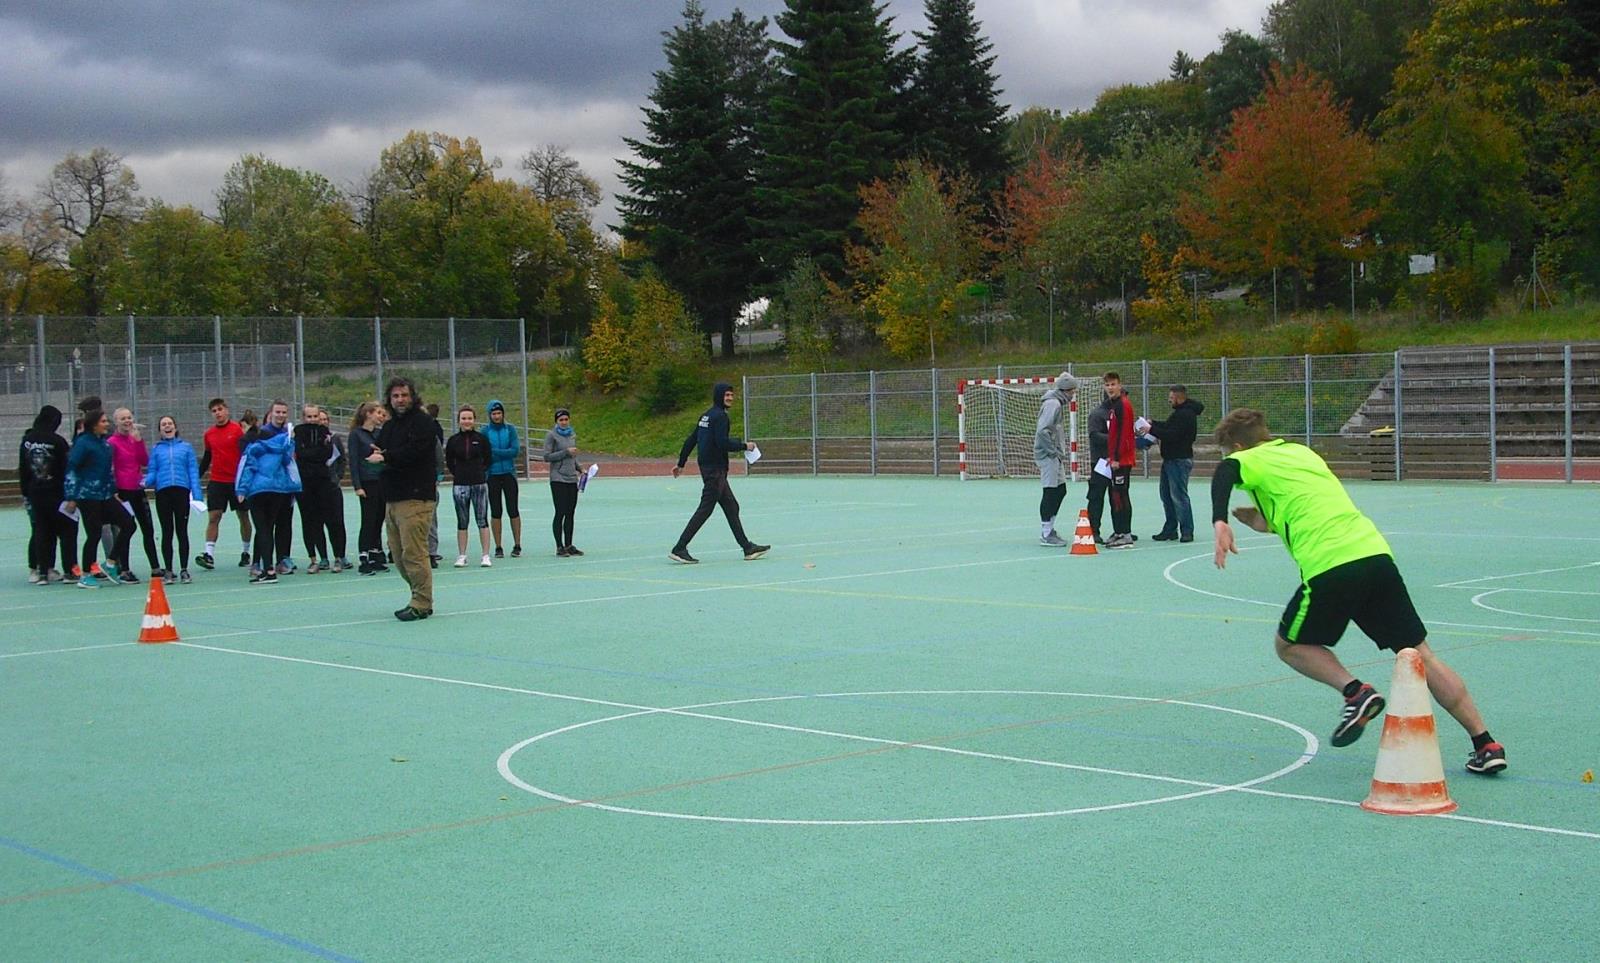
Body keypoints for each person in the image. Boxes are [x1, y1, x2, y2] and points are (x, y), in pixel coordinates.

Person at [1211, 408, 1507, 774]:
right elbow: (1293, 513)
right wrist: (1256, 520)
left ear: (1239, 446)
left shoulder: (1248, 459)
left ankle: (1356, 692)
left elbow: (1226, 472)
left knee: (1289, 645)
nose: (1230, 459)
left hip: (1331, 564)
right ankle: (1486, 743)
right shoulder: (1302, 454)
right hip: (1374, 553)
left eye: (1230, 451)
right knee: (1420, 655)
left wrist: (1220, 519)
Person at [669, 382, 768, 564]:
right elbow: (722, 443)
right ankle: (680, 547)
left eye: (731, 395)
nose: (730, 398)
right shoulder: (720, 417)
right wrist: (745, 445)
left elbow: (691, 440)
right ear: (719, 396)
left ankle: (747, 547)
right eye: (727, 395)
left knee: (732, 506)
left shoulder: (706, 416)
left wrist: (681, 463)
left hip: (711, 469)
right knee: (705, 509)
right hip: (715, 470)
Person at [369, 377, 439, 621]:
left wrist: (386, 457)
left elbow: (413, 453)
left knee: (414, 553)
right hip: (393, 497)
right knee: (398, 555)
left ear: (413, 397)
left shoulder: (423, 423)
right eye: (395, 396)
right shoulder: (389, 426)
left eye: (404, 395)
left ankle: (422, 602)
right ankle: (417, 595)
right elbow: (379, 449)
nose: (400, 400)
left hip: (416, 497)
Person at [63, 408, 134, 589]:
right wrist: (71, 496)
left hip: (106, 495)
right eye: (103, 421)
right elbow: (72, 469)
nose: (107, 424)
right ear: (94, 424)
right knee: (94, 534)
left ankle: (109, 563)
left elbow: (108, 472)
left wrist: (114, 492)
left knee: (128, 523)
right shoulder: (83, 444)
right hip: (87, 496)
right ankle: (86, 575)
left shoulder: (105, 445)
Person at [236, 399, 301, 583]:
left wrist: (241, 488)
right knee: (266, 528)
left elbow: (249, 464)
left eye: (283, 412)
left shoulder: (259, 443)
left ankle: (268, 569)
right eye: (277, 412)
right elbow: (289, 464)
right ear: (270, 414)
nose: (280, 415)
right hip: (276, 489)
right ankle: (264, 565)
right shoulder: (282, 441)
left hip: (262, 489)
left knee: (263, 529)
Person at [19, 405, 76, 584]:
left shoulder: (28, 440)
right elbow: (66, 468)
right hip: (56, 492)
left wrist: (25, 493)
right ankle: (66, 570)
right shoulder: (58, 441)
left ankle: (41, 570)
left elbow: (23, 468)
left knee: (40, 530)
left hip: (35, 492)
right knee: (65, 530)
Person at [144, 415, 203, 583]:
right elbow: (153, 471)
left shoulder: (186, 447)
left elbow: (192, 471)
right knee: (166, 532)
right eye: (163, 424)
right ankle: (169, 570)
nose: (167, 426)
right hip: (163, 493)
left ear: (175, 428)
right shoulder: (156, 449)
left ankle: (184, 569)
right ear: (160, 430)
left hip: (181, 492)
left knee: (182, 531)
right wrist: (143, 482)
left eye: (170, 424)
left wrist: (197, 495)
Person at [197, 398, 253, 570]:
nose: (218, 413)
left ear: (227, 410)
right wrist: (195, 478)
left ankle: (245, 551)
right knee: (214, 517)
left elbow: (248, 453)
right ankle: (209, 555)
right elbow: (207, 458)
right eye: (214, 411)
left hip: (237, 482)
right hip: (217, 482)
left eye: (220, 409)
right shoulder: (209, 434)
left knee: (243, 516)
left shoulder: (238, 430)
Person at [293, 403, 349, 573]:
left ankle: (339, 557)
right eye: (309, 417)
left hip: (326, 483)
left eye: (315, 417)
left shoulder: (329, 436)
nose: (313, 420)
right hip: (306, 484)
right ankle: (318, 558)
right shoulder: (297, 434)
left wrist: (314, 455)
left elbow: (327, 455)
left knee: (334, 521)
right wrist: (314, 454)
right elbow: (300, 455)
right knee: (311, 521)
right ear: (303, 418)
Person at [1144, 385, 1204, 543]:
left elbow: (1172, 434)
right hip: (1170, 459)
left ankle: (1187, 530)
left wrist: (1151, 429)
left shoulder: (1186, 415)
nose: (1169, 400)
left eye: (1171, 397)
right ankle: (1170, 529)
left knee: (1179, 496)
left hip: (1179, 460)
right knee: (1166, 495)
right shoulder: (1180, 413)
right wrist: (1153, 424)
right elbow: (1168, 427)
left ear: (1179, 397)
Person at [108, 408, 159, 582]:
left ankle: (155, 567)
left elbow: (144, 461)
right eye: (123, 418)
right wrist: (114, 491)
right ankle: (124, 569)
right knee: (126, 529)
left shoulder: (134, 439)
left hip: (137, 489)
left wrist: (138, 442)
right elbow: (110, 468)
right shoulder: (112, 442)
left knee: (148, 528)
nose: (127, 421)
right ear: (116, 422)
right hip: (123, 492)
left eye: (129, 418)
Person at [445, 404, 493, 568]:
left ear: (474, 420)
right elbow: (449, 462)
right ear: (459, 421)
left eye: (469, 418)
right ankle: (462, 555)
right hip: (460, 485)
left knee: (482, 519)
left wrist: (478, 472)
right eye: (463, 418)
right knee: (462, 521)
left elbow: (488, 459)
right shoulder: (453, 441)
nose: (466, 421)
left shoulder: (481, 439)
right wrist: (459, 473)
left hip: (479, 484)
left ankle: (485, 555)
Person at [348, 402, 390, 575]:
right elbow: (354, 460)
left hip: (381, 481)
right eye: (378, 413)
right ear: (368, 414)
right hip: (367, 482)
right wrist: (357, 485)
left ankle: (375, 553)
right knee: (368, 519)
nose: (381, 416)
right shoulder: (356, 435)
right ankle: (363, 557)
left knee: (379, 518)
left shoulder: (379, 434)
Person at [1034, 372, 1074, 546]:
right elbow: (1043, 430)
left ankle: (1050, 527)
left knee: (1060, 490)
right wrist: (1052, 451)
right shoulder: (1053, 404)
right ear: (1066, 390)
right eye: (1073, 390)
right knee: (1050, 491)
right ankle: (1046, 532)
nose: (1074, 394)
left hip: (1054, 455)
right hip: (1048, 454)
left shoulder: (1056, 403)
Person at [482, 399, 523, 558]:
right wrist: (500, 453)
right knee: (496, 511)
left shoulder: (510, 429)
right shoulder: (485, 431)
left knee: (513, 509)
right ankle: (498, 546)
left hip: (509, 474)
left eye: (499, 413)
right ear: (490, 415)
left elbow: (514, 450)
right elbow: (486, 453)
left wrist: (496, 452)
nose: (497, 416)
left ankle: (517, 544)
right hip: (492, 475)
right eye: (494, 413)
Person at [541, 407, 584, 557]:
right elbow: (546, 456)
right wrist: (565, 452)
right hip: (558, 478)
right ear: (556, 421)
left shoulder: (572, 434)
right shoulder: (551, 436)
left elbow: (573, 456)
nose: (564, 422)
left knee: (570, 512)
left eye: (566, 419)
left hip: (572, 478)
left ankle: (569, 544)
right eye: (561, 420)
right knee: (560, 511)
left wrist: (580, 469)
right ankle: (559, 546)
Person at [1101, 373, 1138, 549]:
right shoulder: (1114, 406)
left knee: (1121, 495)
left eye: (1113, 384)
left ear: (1119, 385)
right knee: (1115, 495)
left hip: (1122, 460)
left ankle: (1126, 534)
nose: (1110, 388)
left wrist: (1117, 458)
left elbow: (1124, 435)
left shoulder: (1123, 405)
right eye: (1107, 385)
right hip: (1116, 459)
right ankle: (1118, 531)